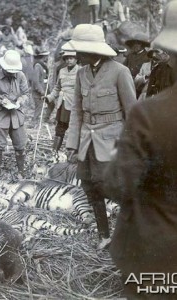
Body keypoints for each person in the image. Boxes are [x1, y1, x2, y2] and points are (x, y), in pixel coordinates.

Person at [103, 1, 177, 298]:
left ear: (171, 55)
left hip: (156, 259)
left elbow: (117, 185)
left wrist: (115, 159)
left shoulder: (149, 114)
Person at [64, 24, 137, 250]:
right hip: (87, 142)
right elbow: (77, 111)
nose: (75, 55)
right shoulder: (81, 73)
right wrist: (72, 144)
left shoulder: (119, 72)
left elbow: (132, 112)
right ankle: (104, 236)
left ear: (92, 51)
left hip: (113, 142)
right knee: (89, 186)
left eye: (79, 51)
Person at [0, 49, 29, 178]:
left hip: (16, 115)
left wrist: (21, 100)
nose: (11, 73)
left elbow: (26, 94)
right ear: (3, 67)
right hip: (0, 115)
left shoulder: (21, 76)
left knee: (20, 146)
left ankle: (21, 172)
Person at [44, 49, 80, 158]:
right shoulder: (62, 71)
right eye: (67, 58)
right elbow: (57, 87)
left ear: (76, 59)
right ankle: (55, 152)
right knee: (60, 128)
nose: (69, 61)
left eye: (71, 58)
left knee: (74, 128)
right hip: (62, 104)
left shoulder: (81, 71)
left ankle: (72, 154)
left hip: (74, 104)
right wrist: (49, 97)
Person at [31, 47, 53, 127]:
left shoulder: (44, 65)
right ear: (44, 56)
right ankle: (34, 123)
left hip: (46, 89)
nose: (48, 58)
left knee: (51, 103)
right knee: (39, 107)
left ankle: (45, 119)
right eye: (47, 56)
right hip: (39, 91)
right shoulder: (38, 66)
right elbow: (36, 81)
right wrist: (41, 91)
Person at [124, 32, 150, 97]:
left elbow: (146, 75)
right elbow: (123, 68)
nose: (134, 45)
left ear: (143, 45)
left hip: (139, 86)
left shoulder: (147, 57)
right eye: (133, 43)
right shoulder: (130, 55)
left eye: (138, 43)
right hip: (127, 83)